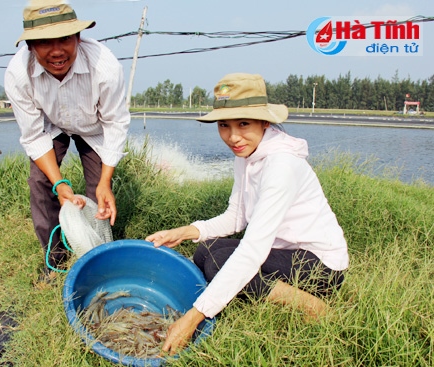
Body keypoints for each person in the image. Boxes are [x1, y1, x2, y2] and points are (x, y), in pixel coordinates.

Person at [145, 73, 349, 354]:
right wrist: (183, 233)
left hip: (319, 266)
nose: (233, 137)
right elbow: (236, 217)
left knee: (219, 262)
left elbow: (253, 249)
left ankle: (313, 304)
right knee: (204, 252)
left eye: (243, 124)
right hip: (285, 252)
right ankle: (229, 295)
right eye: (224, 125)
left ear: (265, 122)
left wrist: (193, 318)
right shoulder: (248, 155)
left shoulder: (282, 165)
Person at [5, 0, 130, 278]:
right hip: (52, 124)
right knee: (40, 182)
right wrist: (59, 184)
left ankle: (99, 255)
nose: (57, 51)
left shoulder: (105, 66)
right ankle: (56, 262)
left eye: (65, 39)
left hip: (94, 126)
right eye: (44, 42)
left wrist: (106, 181)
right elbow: (34, 135)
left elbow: (115, 123)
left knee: (99, 192)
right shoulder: (18, 75)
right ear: (30, 47)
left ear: (78, 38)